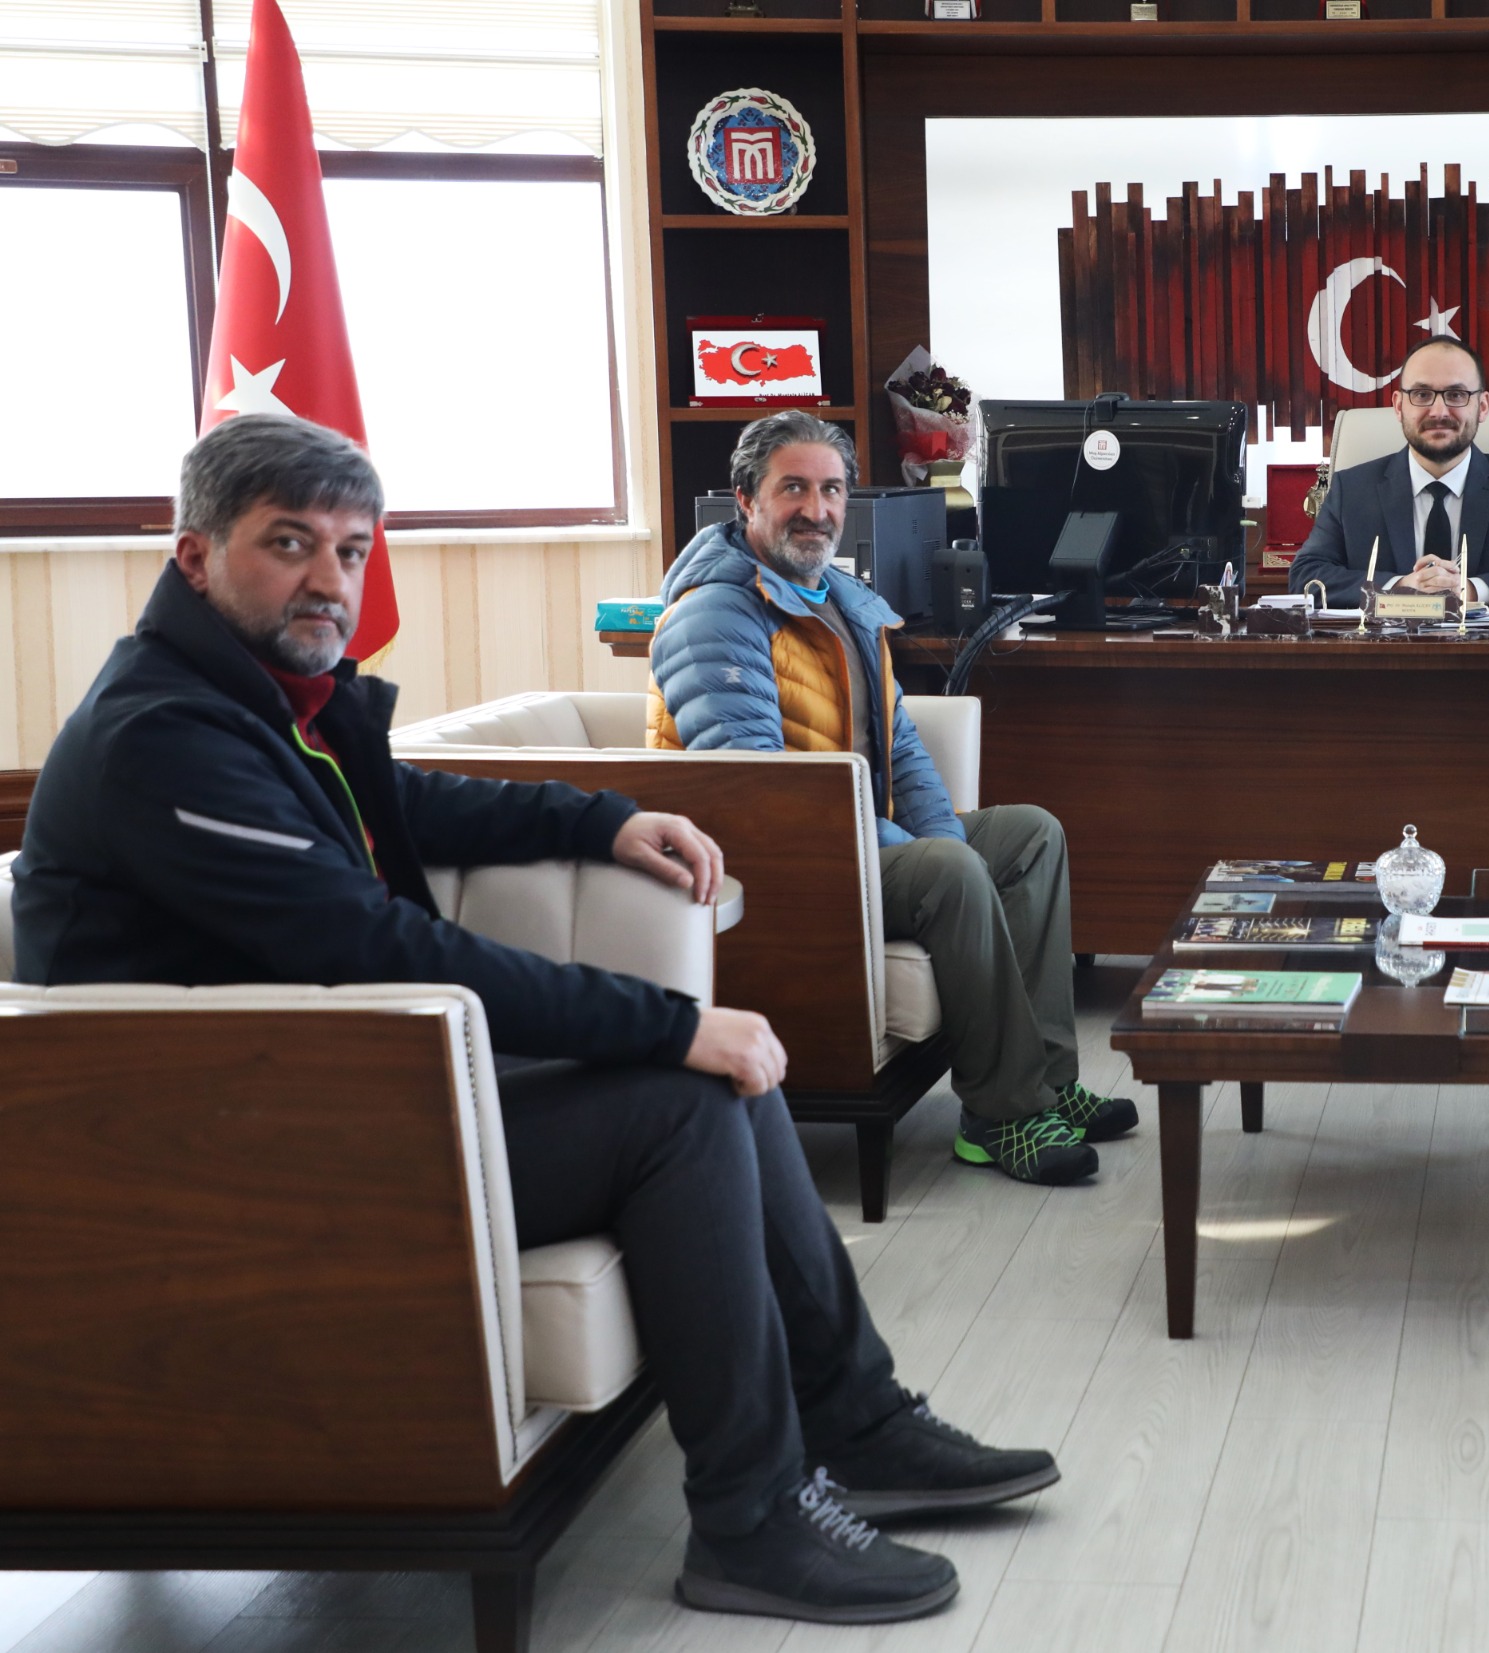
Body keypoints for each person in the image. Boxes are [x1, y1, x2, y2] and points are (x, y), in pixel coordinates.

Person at [10, 414, 1054, 1627]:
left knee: (726, 1081)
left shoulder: (255, 697)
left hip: (325, 1085)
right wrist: (669, 1024)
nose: (329, 579)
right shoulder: (163, 739)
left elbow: (406, 800)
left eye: (350, 550)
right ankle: (751, 1518)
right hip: (222, 1146)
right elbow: (372, 944)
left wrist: (600, 819)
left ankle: (858, 1425)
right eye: (288, 543)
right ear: (195, 557)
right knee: (685, 1101)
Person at [649, 409, 1135, 1187]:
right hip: (775, 861)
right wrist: (930, 856)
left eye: (832, 489)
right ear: (745, 500)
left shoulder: (839, 598)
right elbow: (757, 795)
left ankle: (1047, 1083)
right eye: (794, 488)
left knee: (1030, 834)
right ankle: (1001, 1114)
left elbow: (901, 747)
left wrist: (942, 837)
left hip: (849, 838)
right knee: (946, 870)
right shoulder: (715, 613)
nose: (817, 509)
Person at [1287, 336, 1489, 609]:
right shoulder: (1352, 489)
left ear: (1483, 406)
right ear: (1398, 406)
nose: (1438, 411)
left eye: (1456, 395)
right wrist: (1398, 587)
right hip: (1384, 654)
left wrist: (1473, 589)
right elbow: (1305, 578)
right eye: (1422, 394)